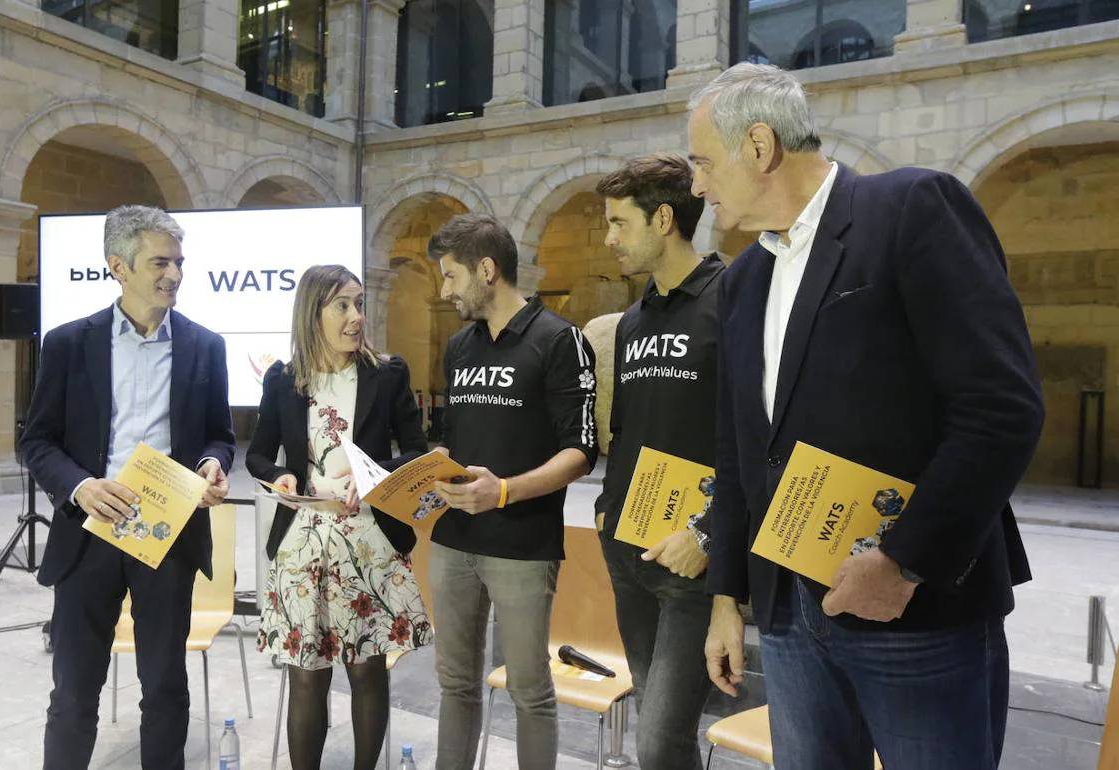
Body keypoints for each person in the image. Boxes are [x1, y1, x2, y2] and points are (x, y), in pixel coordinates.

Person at [691, 63, 1045, 770]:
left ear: (759, 147)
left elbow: (1000, 406)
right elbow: (739, 452)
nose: (697, 186)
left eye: (703, 162)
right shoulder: (742, 282)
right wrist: (727, 595)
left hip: (915, 616)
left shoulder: (911, 208)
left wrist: (905, 562)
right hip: (790, 617)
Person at [20, 204, 236, 770]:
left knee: (165, 687)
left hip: (166, 536)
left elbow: (219, 435)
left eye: (179, 262)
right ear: (118, 265)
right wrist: (81, 487)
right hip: (90, 533)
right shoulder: (70, 344)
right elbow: (36, 442)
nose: (174, 274)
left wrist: (213, 464)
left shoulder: (205, 346)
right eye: (159, 262)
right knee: (73, 692)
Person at [426, 212, 599, 770]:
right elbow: (456, 439)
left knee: (529, 690)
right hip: (452, 541)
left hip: (523, 545)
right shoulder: (459, 346)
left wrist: (503, 492)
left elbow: (581, 450)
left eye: (451, 276)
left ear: (487, 270)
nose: (444, 290)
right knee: (455, 683)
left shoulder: (559, 340)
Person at [246, 264, 433, 770]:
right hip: (302, 545)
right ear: (313, 313)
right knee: (307, 674)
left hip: (371, 540)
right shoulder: (283, 379)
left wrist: (372, 476)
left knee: (368, 670)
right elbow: (258, 455)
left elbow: (415, 453)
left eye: (358, 304)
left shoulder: (387, 373)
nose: (356, 317)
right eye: (342, 306)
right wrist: (281, 475)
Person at [592, 154, 724, 770]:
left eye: (620, 222)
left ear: (664, 219)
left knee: (659, 743)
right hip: (629, 553)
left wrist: (709, 533)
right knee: (659, 733)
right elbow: (625, 430)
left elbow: (758, 436)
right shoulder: (634, 319)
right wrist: (605, 509)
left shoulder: (731, 299)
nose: (609, 237)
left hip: (690, 559)